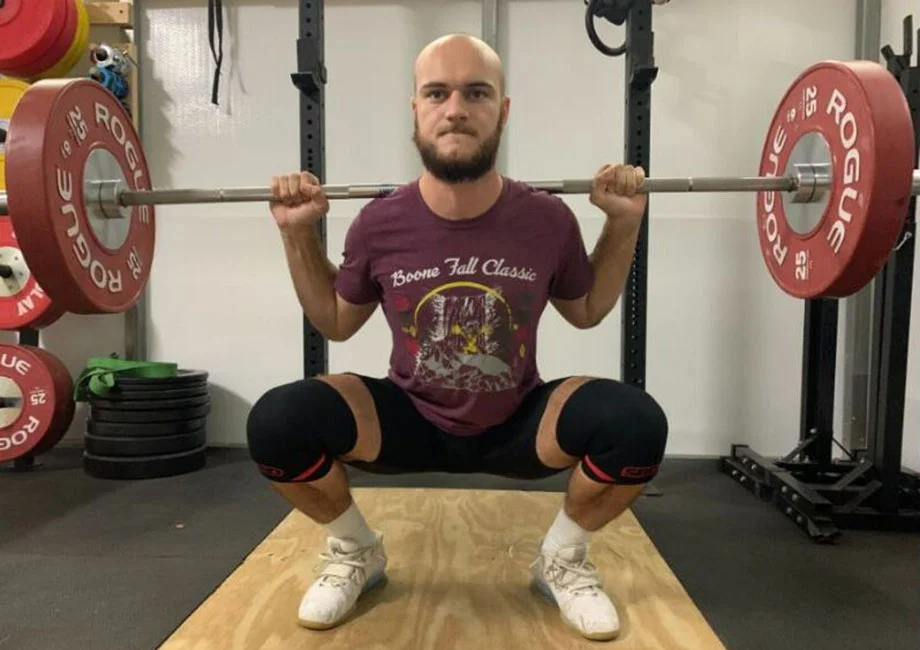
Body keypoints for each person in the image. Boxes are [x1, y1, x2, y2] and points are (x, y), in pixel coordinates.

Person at [246, 33, 668, 642]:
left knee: (636, 424)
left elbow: (588, 309)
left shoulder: (546, 218)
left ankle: (562, 560)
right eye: (437, 93)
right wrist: (295, 234)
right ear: (416, 109)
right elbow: (337, 322)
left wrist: (624, 223)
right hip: (408, 417)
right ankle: (356, 549)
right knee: (279, 422)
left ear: (503, 109)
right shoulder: (380, 222)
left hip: (517, 421)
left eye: (477, 93)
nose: (456, 109)